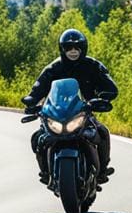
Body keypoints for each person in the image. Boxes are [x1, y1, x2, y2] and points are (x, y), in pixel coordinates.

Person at [22, 28, 118, 186]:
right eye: (68, 48)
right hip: (56, 114)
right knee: (38, 138)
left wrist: (104, 96)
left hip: (83, 112)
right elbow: (38, 87)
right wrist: (32, 100)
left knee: (102, 132)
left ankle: (101, 171)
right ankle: (45, 172)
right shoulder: (53, 68)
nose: (73, 51)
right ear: (62, 49)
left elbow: (110, 86)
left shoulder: (93, 66)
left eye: (76, 47)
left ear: (83, 48)